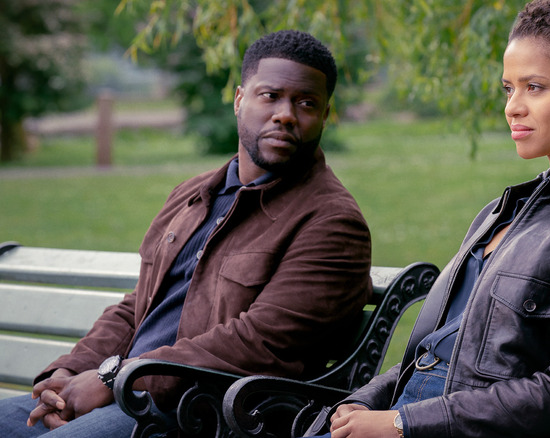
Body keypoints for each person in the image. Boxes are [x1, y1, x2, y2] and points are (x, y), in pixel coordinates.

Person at [310, 1, 550, 437]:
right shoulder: (503, 211)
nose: (513, 107)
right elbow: (438, 352)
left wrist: (401, 423)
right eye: (508, 88)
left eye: (535, 87)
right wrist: (364, 402)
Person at [0, 30, 372, 437]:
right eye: (270, 96)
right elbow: (136, 307)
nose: (285, 114)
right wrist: (68, 373)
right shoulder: (191, 196)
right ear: (238, 100)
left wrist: (114, 380)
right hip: (127, 392)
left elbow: (257, 343)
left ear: (323, 115)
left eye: (306, 103)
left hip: (202, 413)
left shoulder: (332, 223)